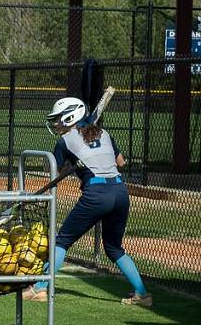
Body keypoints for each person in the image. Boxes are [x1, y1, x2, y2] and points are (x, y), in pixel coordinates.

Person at [23, 97, 151, 306]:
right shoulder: (105, 133)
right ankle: (142, 294)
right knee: (114, 248)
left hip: (96, 194)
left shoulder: (64, 141)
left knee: (63, 241)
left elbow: (54, 170)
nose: (55, 124)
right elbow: (121, 162)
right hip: (120, 191)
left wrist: (76, 166)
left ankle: (39, 288)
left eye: (58, 120)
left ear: (69, 117)